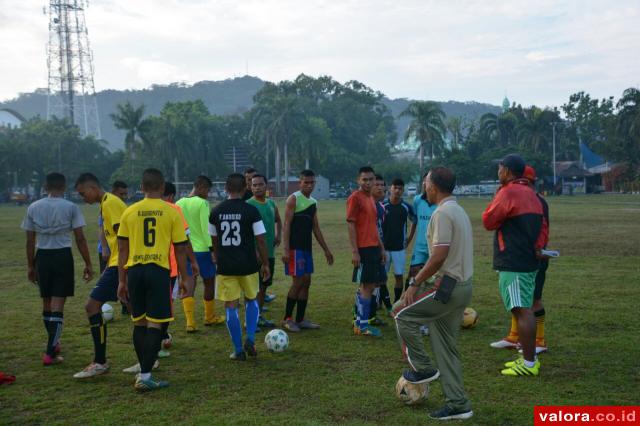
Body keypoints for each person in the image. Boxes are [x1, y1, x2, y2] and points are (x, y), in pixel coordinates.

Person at [393, 166, 474, 421]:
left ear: (433, 187)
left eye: (426, 182)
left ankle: (423, 369)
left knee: (400, 314)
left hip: (447, 287)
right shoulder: (458, 210)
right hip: (463, 286)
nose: (423, 187)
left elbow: (439, 256)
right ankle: (458, 403)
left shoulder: (442, 213)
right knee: (446, 349)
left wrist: (415, 282)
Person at [116, 168, 193, 391]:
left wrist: (122, 281)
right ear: (162, 187)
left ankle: (144, 371)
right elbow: (180, 249)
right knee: (155, 324)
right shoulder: (171, 212)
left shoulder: (130, 211)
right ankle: (146, 375)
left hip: (135, 271)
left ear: (141, 188)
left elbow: (122, 250)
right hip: (158, 271)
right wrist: (185, 278)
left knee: (139, 322)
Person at [482, 154, 547, 377]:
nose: (498, 172)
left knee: (521, 310)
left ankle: (529, 363)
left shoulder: (508, 192)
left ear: (507, 171)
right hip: (527, 260)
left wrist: (496, 198)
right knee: (523, 308)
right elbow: (543, 226)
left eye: (499, 168)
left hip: (513, 260)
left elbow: (488, 221)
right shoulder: (532, 193)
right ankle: (528, 358)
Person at [22, 172, 93, 366]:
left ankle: (54, 342)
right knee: (58, 305)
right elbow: (80, 237)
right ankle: (50, 352)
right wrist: (88, 262)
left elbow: (30, 240)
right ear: (63, 187)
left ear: (45, 187)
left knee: (47, 303)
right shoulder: (70, 207)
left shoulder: (34, 206)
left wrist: (30, 265)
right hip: (62, 255)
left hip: (42, 256)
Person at [209, 173, 270, 360]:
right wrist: (265, 263)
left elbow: (214, 240)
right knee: (252, 300)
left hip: (226, 266)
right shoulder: (251, 211)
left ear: (226, 189)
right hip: (249, 264)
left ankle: (237, 349)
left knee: (231, 306)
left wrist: (217, 256)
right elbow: (260, 239)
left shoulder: (216, 212)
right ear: (245, 189)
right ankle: (250, 338)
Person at [73, 173, 127, 378]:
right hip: (116, 264)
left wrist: (122, 273)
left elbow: (124, 240)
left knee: (92, 306)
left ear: (93, 187)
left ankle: (100, 361)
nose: (81, 197)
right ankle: (149, 356)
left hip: (120, 265)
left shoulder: (110, 203)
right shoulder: (106, 203)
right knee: (135, 310)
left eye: (82, 192)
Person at [281, 169, 334, 332]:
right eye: (306, 182)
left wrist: (326, 249)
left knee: (306, 282)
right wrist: (285, 249)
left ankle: (301, 319)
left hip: (306, 248)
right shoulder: (293, 199)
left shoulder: (313, 202)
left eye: (312, 183)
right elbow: (287, 225)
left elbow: (315, 227)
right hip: (295, 248)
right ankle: (287, 319)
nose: (309, 186)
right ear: (300, 182)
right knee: (297, 282)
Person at [176, 175, 222, 332]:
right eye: (207, 190)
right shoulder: (202, 203)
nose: (208, 194)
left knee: (188, 282)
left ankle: (190, 322)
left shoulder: (179, 203)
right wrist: (212, 250)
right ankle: (209, 317)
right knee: (209, 282)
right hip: (202, 250)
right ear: (201, 187)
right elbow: (206, 228)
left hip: (184, 250)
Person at [347, 166, 386, 337]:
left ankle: (360, 323)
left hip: (373, 248)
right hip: (363, 248)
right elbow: (350, 224)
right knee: (366, 286)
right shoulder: (355, 198)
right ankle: (362, 325)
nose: (368, 182)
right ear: (358, 180)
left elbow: (373, 226)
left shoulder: (370, 198)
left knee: (370, 285)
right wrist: (355, 251)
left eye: (371, 179)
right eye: (365, 179)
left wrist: (381, 248)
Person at [246, 174, 282, 329]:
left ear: (266, 186)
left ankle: (258, 316)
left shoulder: (271, 204)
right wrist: (254, 252)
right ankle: (250, 319)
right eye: (254, 185)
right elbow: (246, 232)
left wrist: (277, 235)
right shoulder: (248, 205)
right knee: (254, 288)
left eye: (260, 184)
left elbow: (278, 220)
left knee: (264, 286)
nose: (257, 187)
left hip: (269, 253)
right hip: (255, 254)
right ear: (250, 187)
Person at [382, 178, 416, 304]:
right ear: (390, 188)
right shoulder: (382, 205)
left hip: (399, 249)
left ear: (403, 190)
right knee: (381, 278)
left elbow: (415, 221)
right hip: (383, 248)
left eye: (400, 188)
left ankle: (396, 302)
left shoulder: (406, 207)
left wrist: (409, 238)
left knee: (398, 276)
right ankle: (383, 302)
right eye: (395, 188)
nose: (397, 190)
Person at [407, 173, 437, 287]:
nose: (425, 184)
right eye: (424, 181)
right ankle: (408, 303)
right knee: (412, 275)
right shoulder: (417, 200)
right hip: (419, 247)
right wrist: (409, 238)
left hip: (435, 247)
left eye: (428, 181)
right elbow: (414, 221)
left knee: (435, 278)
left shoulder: (440, 202)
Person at [368, 174, 388, 326]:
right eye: (377, 185)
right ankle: (359, 315)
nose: (380, 187)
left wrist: (382, 248)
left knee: (378, 282)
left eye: (382, 185)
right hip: (368, 249)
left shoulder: (382, 207)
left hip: (379, 249)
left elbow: (380, 230)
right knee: (366, 283)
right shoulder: (367, 205)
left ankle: (372, 315)